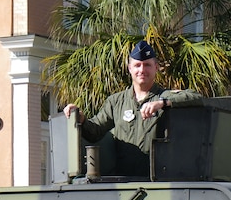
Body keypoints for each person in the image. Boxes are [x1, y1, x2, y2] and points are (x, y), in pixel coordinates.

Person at [63, 40, 202, 177]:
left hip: (157, 182)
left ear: (156, 67)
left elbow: (195, 97)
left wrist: (163, 103)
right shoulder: (116, 102)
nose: (142, 70)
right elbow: (94, 132)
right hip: (125, 184)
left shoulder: (164, 96)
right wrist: (80, 118)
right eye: (137, 65)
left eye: (147, 65)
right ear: (130, 68)